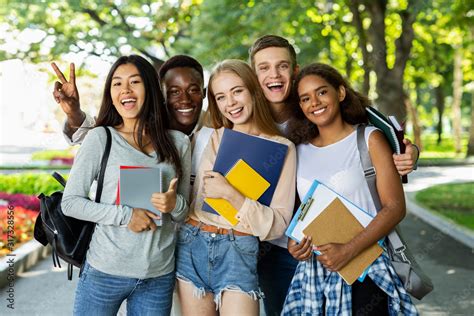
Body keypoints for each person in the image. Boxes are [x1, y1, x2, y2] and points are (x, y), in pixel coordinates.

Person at [248, 34, 420, 316]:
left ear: (294, 70)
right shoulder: (249, 117)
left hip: (362, 260)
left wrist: (410, 153)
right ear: (254, 75)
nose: (273, 74)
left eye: (281, 65)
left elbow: (393, 140)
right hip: (294, 256)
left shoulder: (361, 131)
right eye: (263, 67)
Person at [60, 55, 191, 315]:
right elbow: (70, 202)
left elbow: (184, 213)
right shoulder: (101, 137)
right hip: (104, 272)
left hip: (158, 276)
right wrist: (126, 215)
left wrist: (174, 203)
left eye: (134, 82)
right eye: (117, 84)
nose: (125, 91)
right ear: (110, 93)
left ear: (150, 89)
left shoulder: (178, 142)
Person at [175, 59, 296, 316]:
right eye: (220, 97)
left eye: (237, 91)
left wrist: (232, 194)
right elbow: (202, 196)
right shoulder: (213, 136)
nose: (230, 103)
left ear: (253, 90)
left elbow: (277, 226)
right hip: (193, 241)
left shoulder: (282, 148)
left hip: (239, 250)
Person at [54, 55, 206, 144]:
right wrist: (73, 112)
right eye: (174, 92)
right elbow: (94, 135)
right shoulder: (139, 127)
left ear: (204, 93)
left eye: (193, 90)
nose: (185, 99)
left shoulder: (213, 132)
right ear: (161, 95)